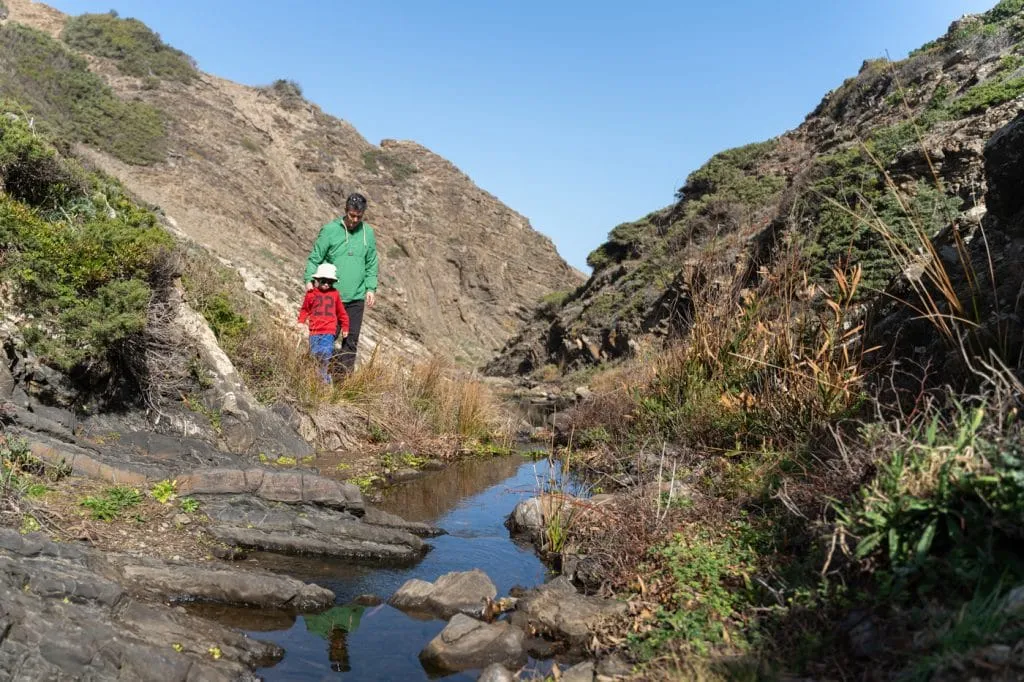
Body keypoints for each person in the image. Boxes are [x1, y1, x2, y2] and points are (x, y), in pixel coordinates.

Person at [304, 193, 378, 373]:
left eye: (359, 217)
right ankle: (315, 377)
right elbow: (315, 257)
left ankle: (343, 382)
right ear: (346, 210)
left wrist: (370, 288)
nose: (355, 220)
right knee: (325, 339)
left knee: (350, 342)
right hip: (331, 297)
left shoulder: (368, 233)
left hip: (356, 299)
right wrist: (309, 280)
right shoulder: (330, 230)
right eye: (352, 215)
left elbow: (371, 262)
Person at [297, 263, 350, 383]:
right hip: (314, 331)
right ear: (317, 280)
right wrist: (301, 321)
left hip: (329, 331)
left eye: (330, 282)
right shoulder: (311, 294)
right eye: (324, 281)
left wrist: (345, 327)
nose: (326, 284)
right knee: (315, 355)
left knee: (325, 354)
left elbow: (341, 312)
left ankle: (324, 380)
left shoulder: (335, 294)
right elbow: (305, 309)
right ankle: (317, 379)